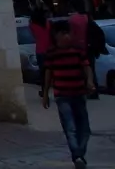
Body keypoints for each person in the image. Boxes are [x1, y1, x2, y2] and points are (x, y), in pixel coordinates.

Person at [43, 19, 93, 167]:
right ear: (56, 35)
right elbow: (48, 74)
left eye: (68, 33)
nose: (67, 36)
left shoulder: (78, 50)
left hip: (79, 93)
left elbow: (86, 67)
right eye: (63, 33)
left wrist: (90, 82)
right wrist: (45, 94)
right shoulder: (52, 53)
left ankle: (79, 154)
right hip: (62, 95)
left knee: (85, 129)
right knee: (70, 127)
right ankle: (77, 156)